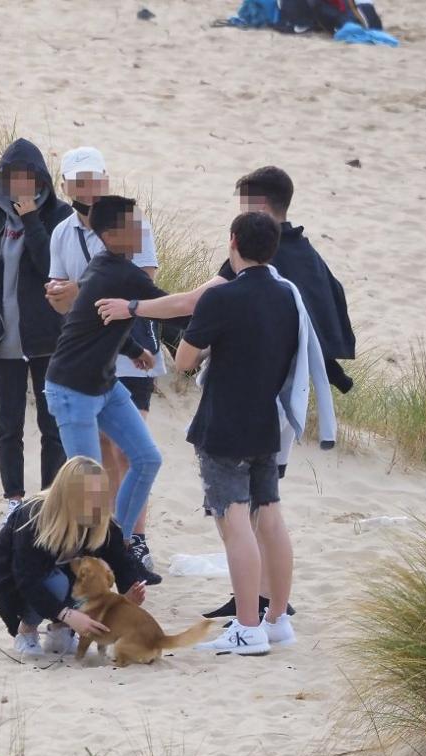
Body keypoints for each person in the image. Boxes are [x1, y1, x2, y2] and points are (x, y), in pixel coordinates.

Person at [96, 165, 350, 618]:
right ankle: (272, 606)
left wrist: (133, 307)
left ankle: (251, 612)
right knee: (267, 508)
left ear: (255, 211)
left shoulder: (250, 267)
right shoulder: (305, 262)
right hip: (286, 400)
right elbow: (335, 318)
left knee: (239, 513)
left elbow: (192, 306)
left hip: (243, 406)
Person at [175, 212, 302, 655]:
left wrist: (209, 342)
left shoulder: (221, 297)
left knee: (235, 524)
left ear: (232, 242)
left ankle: (247, 627)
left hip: (225, 423)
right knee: (269, 516)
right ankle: (277, 617)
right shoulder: (287, 296)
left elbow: (184, 361)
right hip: (267, 420)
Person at [43, 196, 183, 585]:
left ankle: (118, 543)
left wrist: (135, 349)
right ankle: (81, 569)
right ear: (109, 235)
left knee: (147, 459)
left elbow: (98, 318)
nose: (141, 231)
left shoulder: (111, 268)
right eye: (132, 226)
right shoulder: (117, 272)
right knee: (86, 488)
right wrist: (218, 301)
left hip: (105, 385)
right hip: (71, 391)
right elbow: (176, 309)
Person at [0, 138, 70, 522]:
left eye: (27, 177)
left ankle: (48, 500)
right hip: (4, 339)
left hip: (47, 340)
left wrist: (31, 220)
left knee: (50, 425)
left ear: (41, 180)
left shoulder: (60, 219)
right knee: (9, 426)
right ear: (1, 182)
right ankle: (13, 500)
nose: (19, 185)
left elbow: (49, 267)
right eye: (11, 178)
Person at [0, 456, 148, 656]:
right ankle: (27, 631)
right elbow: (26, 578)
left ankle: (61, 632)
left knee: (95, 576)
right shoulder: (35, 516)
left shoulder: (99, 518)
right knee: (56, 583)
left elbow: (121, 559)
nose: (96, 503)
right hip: (12, 581)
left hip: (58, 573)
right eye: (88, 496)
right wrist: (67, 614)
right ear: (68, 496)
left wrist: (128, 596)